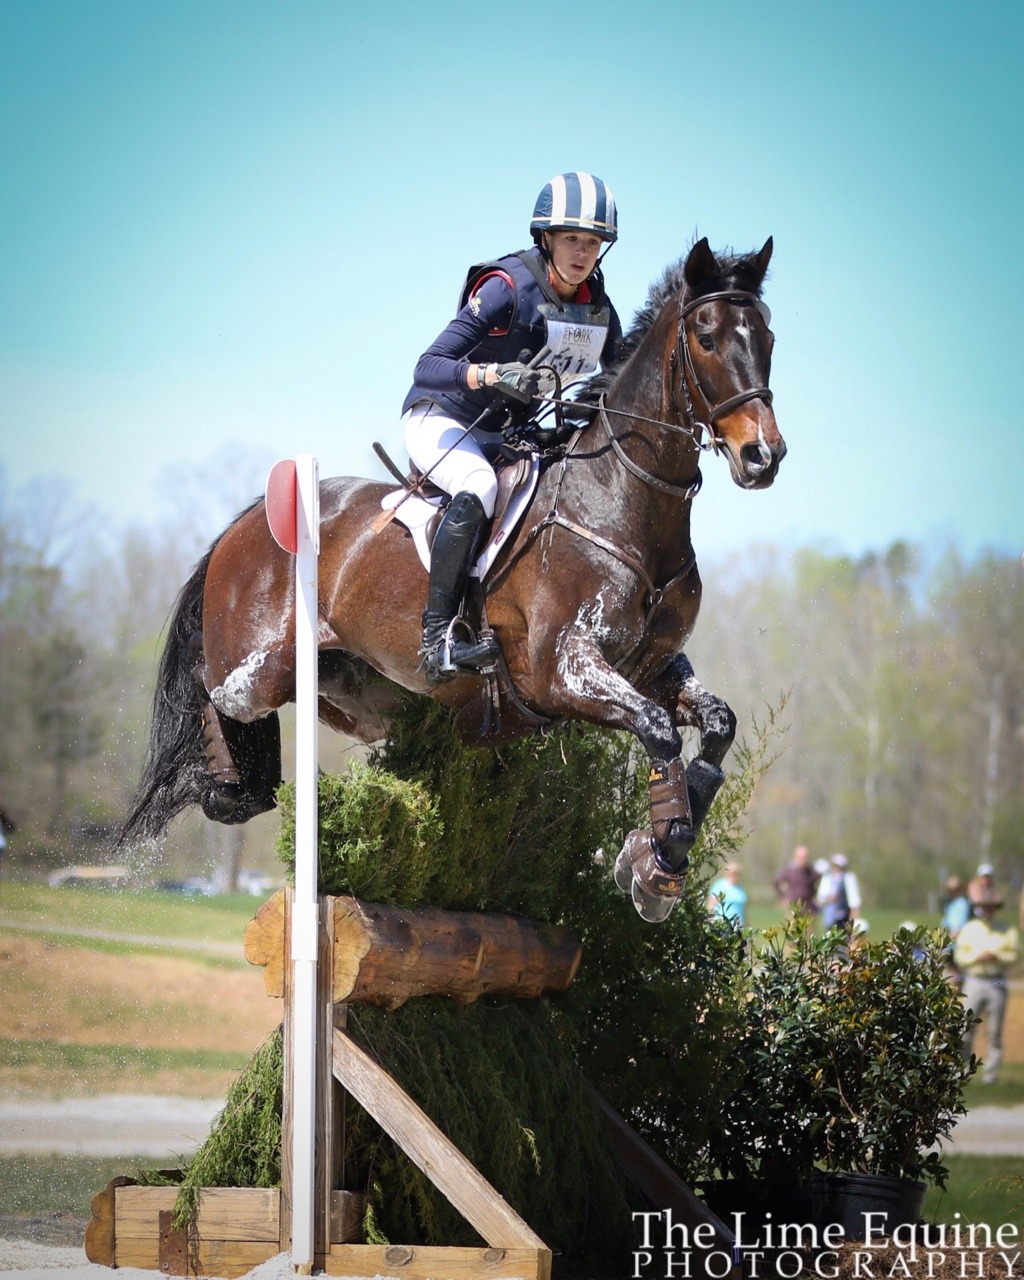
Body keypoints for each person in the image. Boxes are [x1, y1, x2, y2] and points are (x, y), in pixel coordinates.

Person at [401, 171, 623, 684]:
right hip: (445, 418)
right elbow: (427, 365)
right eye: (571, 238)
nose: (582, 252)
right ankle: (436, 640)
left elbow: (619, 376)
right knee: (477, 485)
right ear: (546, 237)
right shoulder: (506, 289)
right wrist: (490, 374)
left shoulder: (596, 308)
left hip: (508, 436)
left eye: (592, 242)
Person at [955, 889, 1019, 1084]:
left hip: (997, 980)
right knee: (965, 1028)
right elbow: (959, 956)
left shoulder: (1007, 930)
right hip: (974, 979)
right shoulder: (969, 929)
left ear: (995, 909)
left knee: (995, 1031)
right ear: (979, 909)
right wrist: (976, 957)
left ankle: (991, 1076)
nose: (987, 910)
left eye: (990, 907)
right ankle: (962, 1070)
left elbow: (1015, 954)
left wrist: (997, 956)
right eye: (984, 907)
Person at [940, 875, 972, 988]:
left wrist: (948, 940)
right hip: (950, 943)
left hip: (958, 943)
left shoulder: (963, 904)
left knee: (958, 973)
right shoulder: (949, 905)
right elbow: (945, 924)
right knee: (952, 970)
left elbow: (959, 927)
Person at [816, 853, 862, 932]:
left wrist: (854, 915)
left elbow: (854, 899)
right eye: (835, 866)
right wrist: (829, 899)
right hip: (829, 917)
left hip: (844, 915)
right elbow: (821, 898)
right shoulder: (827, 878)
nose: (837, 869)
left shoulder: (849, 878)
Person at [773, 845, 820, 917]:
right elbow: (776, 882)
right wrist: (783, 897)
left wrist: (814, 895)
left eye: (805, 858)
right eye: (801, 858)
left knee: (808, 927)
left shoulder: (812, 872)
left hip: (808, 906)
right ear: (795, 858)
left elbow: (818, 883)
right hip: (792, 906)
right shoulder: (789, 871)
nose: (803, 860)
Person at [706, 862, 747, 928]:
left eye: (737, 874)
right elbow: (711, 906)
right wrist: (711, 922)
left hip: (738, 926)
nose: (735, 876)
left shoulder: (740, 888)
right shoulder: (720, 885)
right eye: (733, 873)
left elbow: (743, 910)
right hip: (722, 925)